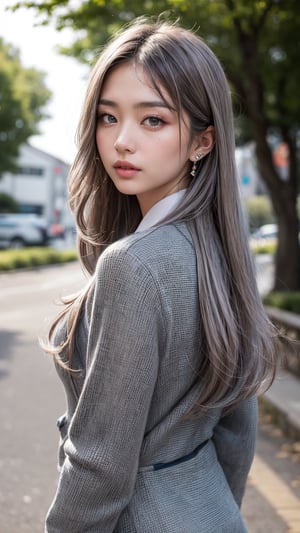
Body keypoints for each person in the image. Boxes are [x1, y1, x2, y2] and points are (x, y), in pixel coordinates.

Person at [44, 18, 280, 532]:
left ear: (202, 141)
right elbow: (237, 435)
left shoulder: (133, 264)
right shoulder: (223, 251)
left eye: (153, 120)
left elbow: (100, 466)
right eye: (108, 118)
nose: (122, 141)